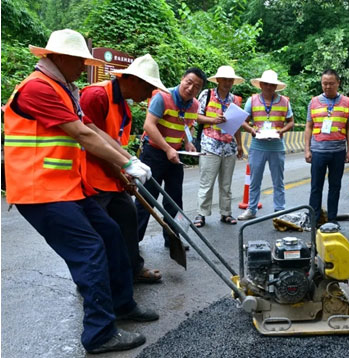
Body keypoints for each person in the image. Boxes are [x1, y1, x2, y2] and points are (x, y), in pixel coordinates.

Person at [3, 29, 158, 354]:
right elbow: (81, 135)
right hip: (39, 190)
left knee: (112, 235)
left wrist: (127, 159)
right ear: (59, 58)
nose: (84, 68)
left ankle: (122, 305)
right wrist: (127, 166)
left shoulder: (64, 89)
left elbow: (92, 129)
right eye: (79, 62)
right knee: (90, 250)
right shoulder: (37, 88)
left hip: (65, 188)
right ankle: (99, 334)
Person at [80, 54, 167, 283]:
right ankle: (90, 280)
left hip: (110, 178)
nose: (149, 94)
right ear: (135, 80)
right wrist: (121, 172)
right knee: (96, 234)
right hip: (90, 180)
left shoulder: (124, 110)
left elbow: (116, 146)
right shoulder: (96, 96)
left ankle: (133, 269)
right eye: (148, 87)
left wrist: (127, 173)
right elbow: (91, 144)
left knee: (128, 219)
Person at [135, 67, 206, 246]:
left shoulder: (195, 105)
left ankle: (173, 239)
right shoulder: (162, 97)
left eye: (196, 86)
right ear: (182, 79)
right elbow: (149, 126)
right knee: (146, 199)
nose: (191, 88)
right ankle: (133, 241)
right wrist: (167, 148)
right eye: (189, 82)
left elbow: (188, 124)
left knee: (174, 200)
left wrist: (188, 142)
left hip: (174, 154)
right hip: (153, 154)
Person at [238, 70, 295, 220]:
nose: (269, 87)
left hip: (276, 145)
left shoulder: (284, 101)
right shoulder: (252, 100)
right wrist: (251, 130)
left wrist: (282, 130)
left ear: (276, 86)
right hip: (258, 145)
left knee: (278, 180)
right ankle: (251, 209)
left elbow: (291, 122)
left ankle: (279, 210)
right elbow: (243, 120)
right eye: (266, 84)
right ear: (261, 85)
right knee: (255, 180)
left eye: (272, 85)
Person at [193, 66, 244, 227]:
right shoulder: (207, 95)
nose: (228, 83)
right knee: (206, 182)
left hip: (229, 146)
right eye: (225, 79)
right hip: (210, 145)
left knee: (226, 183)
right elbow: (196, 116)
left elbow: (237, 124)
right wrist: (213, 120)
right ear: (218, 80)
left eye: (230, 80)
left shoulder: (235, 100)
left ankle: (226, 213)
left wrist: (240, 145)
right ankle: (201, 214)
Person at [304, 69, 349, 227]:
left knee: (335, 186)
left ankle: (332, 219)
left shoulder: (346, 102)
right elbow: (308, 127)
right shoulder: (313, 102)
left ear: (338, 83)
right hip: (318, 151)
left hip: (338, 151)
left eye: (331, 83)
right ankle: (314, 219)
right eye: (324, 83)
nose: (327, 86)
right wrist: (307, 149)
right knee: (315, 187)